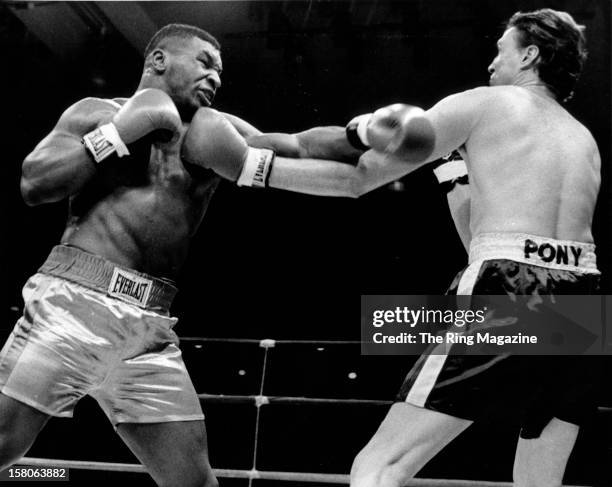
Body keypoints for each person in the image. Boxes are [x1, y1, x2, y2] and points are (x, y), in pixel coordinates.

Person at [0, 23, 363, 486]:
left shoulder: (218, 132)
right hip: (72, 308)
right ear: (159, 61)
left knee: (194, 482)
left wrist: (364, 133)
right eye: (205, 63)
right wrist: (118, 134)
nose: (215, 78)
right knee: (4, 445)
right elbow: (35, 184)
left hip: (149, 333)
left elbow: (298, 144)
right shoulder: (96, 113)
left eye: (221, 71)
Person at [256, 8, 600, 487]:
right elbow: (485, 243)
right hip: (584, 297)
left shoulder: (485, 103)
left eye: (499, 52)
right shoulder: (582, 138)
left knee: (380, 466)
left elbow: (360, 179)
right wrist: (454, 176)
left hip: (511, 285)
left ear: (530, 54)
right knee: (539, 481)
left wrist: (251, 170)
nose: (490, 65)